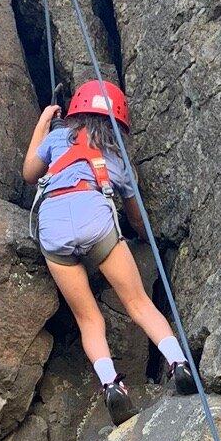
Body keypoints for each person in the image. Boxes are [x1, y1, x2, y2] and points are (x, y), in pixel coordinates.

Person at [22, 80, 197, 422]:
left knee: (89, 320)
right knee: (139, 304)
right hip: (95, 221)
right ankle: (179, 363)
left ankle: (111, 385)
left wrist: (44, 120)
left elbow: (30, 173)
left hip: (54, 228)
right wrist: (149, 240)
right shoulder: (117, 157)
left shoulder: (57, 138)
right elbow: (135, 215)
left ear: (75, 112)